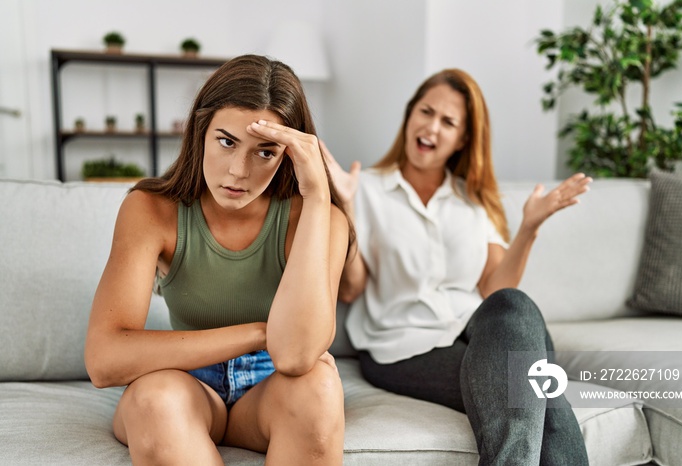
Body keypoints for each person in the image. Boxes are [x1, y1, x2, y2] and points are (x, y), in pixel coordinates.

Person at [84, 54, 351, 466]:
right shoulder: (151, 209)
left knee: (318, 388)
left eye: (265, 151)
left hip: (272, 389)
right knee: (154, 402)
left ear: (289, 155)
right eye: (226, 141)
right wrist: (260, 333)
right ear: (200, 132)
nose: (238, 171)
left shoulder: (318, 219)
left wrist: (318, 198)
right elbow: (104, 359)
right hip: (185, 379)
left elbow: (296, 357)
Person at [323, 68, 592, 465]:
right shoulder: (364, 189)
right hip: (402, 346)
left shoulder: (473, 199)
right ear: (409, 113)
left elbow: (494, 290)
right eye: (426, 111)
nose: (432, 126)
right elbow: (349, 289)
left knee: (516, 306)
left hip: (475, 332)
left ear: (463, 138)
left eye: (448, 122)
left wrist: (529, 228)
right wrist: (344, 209)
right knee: (542, 393)